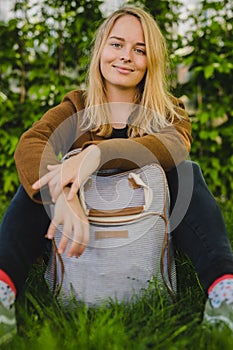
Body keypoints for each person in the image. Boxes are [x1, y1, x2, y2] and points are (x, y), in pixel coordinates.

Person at [0, 5, 233, 345]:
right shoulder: (77, 107)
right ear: (100, 52)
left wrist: (97, 153)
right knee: (43, 176)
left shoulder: (168, 111)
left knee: (185, 172)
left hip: (143, 233)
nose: (126, 57)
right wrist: (62, 195)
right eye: (117, 45)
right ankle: (3, 289)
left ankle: (224, 290)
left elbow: (174, 145)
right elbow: (32, 142)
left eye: (140, 50)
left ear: (151, 60)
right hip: (83, 227)